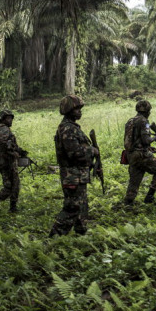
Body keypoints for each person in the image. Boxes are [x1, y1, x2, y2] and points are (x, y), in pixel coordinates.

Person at [50, 95, 98, 236]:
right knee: (73, 207)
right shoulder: (67, 129)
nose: (79, 111)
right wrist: (92, 150)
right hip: (72, 175)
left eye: (80, 109)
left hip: (78, 174)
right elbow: (74, 152)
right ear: (69, 110)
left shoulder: (72, 127)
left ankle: (81, 233)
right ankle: (54, 236)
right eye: (76, 109)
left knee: (82, 205)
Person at [118, 100, 156, 207]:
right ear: (148, 111)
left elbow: (134, 139)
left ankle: (128, 204)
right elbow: (146, 139)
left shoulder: (130, 121)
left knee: (134, 181)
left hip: (131, 155)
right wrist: (155, 138)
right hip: (141, 155)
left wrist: (147, 147)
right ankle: (150, 196)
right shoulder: (144, 121)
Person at [0, 109, 27, 212]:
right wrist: (15, 152)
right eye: (8, 118)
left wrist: (19, 150)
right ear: (2, 119)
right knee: (13, 186)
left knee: (9, 186)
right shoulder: (4, 130)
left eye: (11, 118)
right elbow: (5, 145)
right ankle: (10, 207)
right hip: (7, 161)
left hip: (2, 161)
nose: (10, 120)